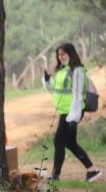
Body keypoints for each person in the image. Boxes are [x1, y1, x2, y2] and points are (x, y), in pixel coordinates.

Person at [42, 43, 102, 182]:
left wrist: (73, 118)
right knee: (69, 143)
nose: (60, 57)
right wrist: (47, 80)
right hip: (65, 112)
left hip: (71, 112)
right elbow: (54, 90)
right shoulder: (62, 70)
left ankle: (55, 176)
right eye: (59, 54)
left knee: (58, 141)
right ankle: (92, 170)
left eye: (63, 54)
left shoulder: (77, 70)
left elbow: (77, 95)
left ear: (70, 53)